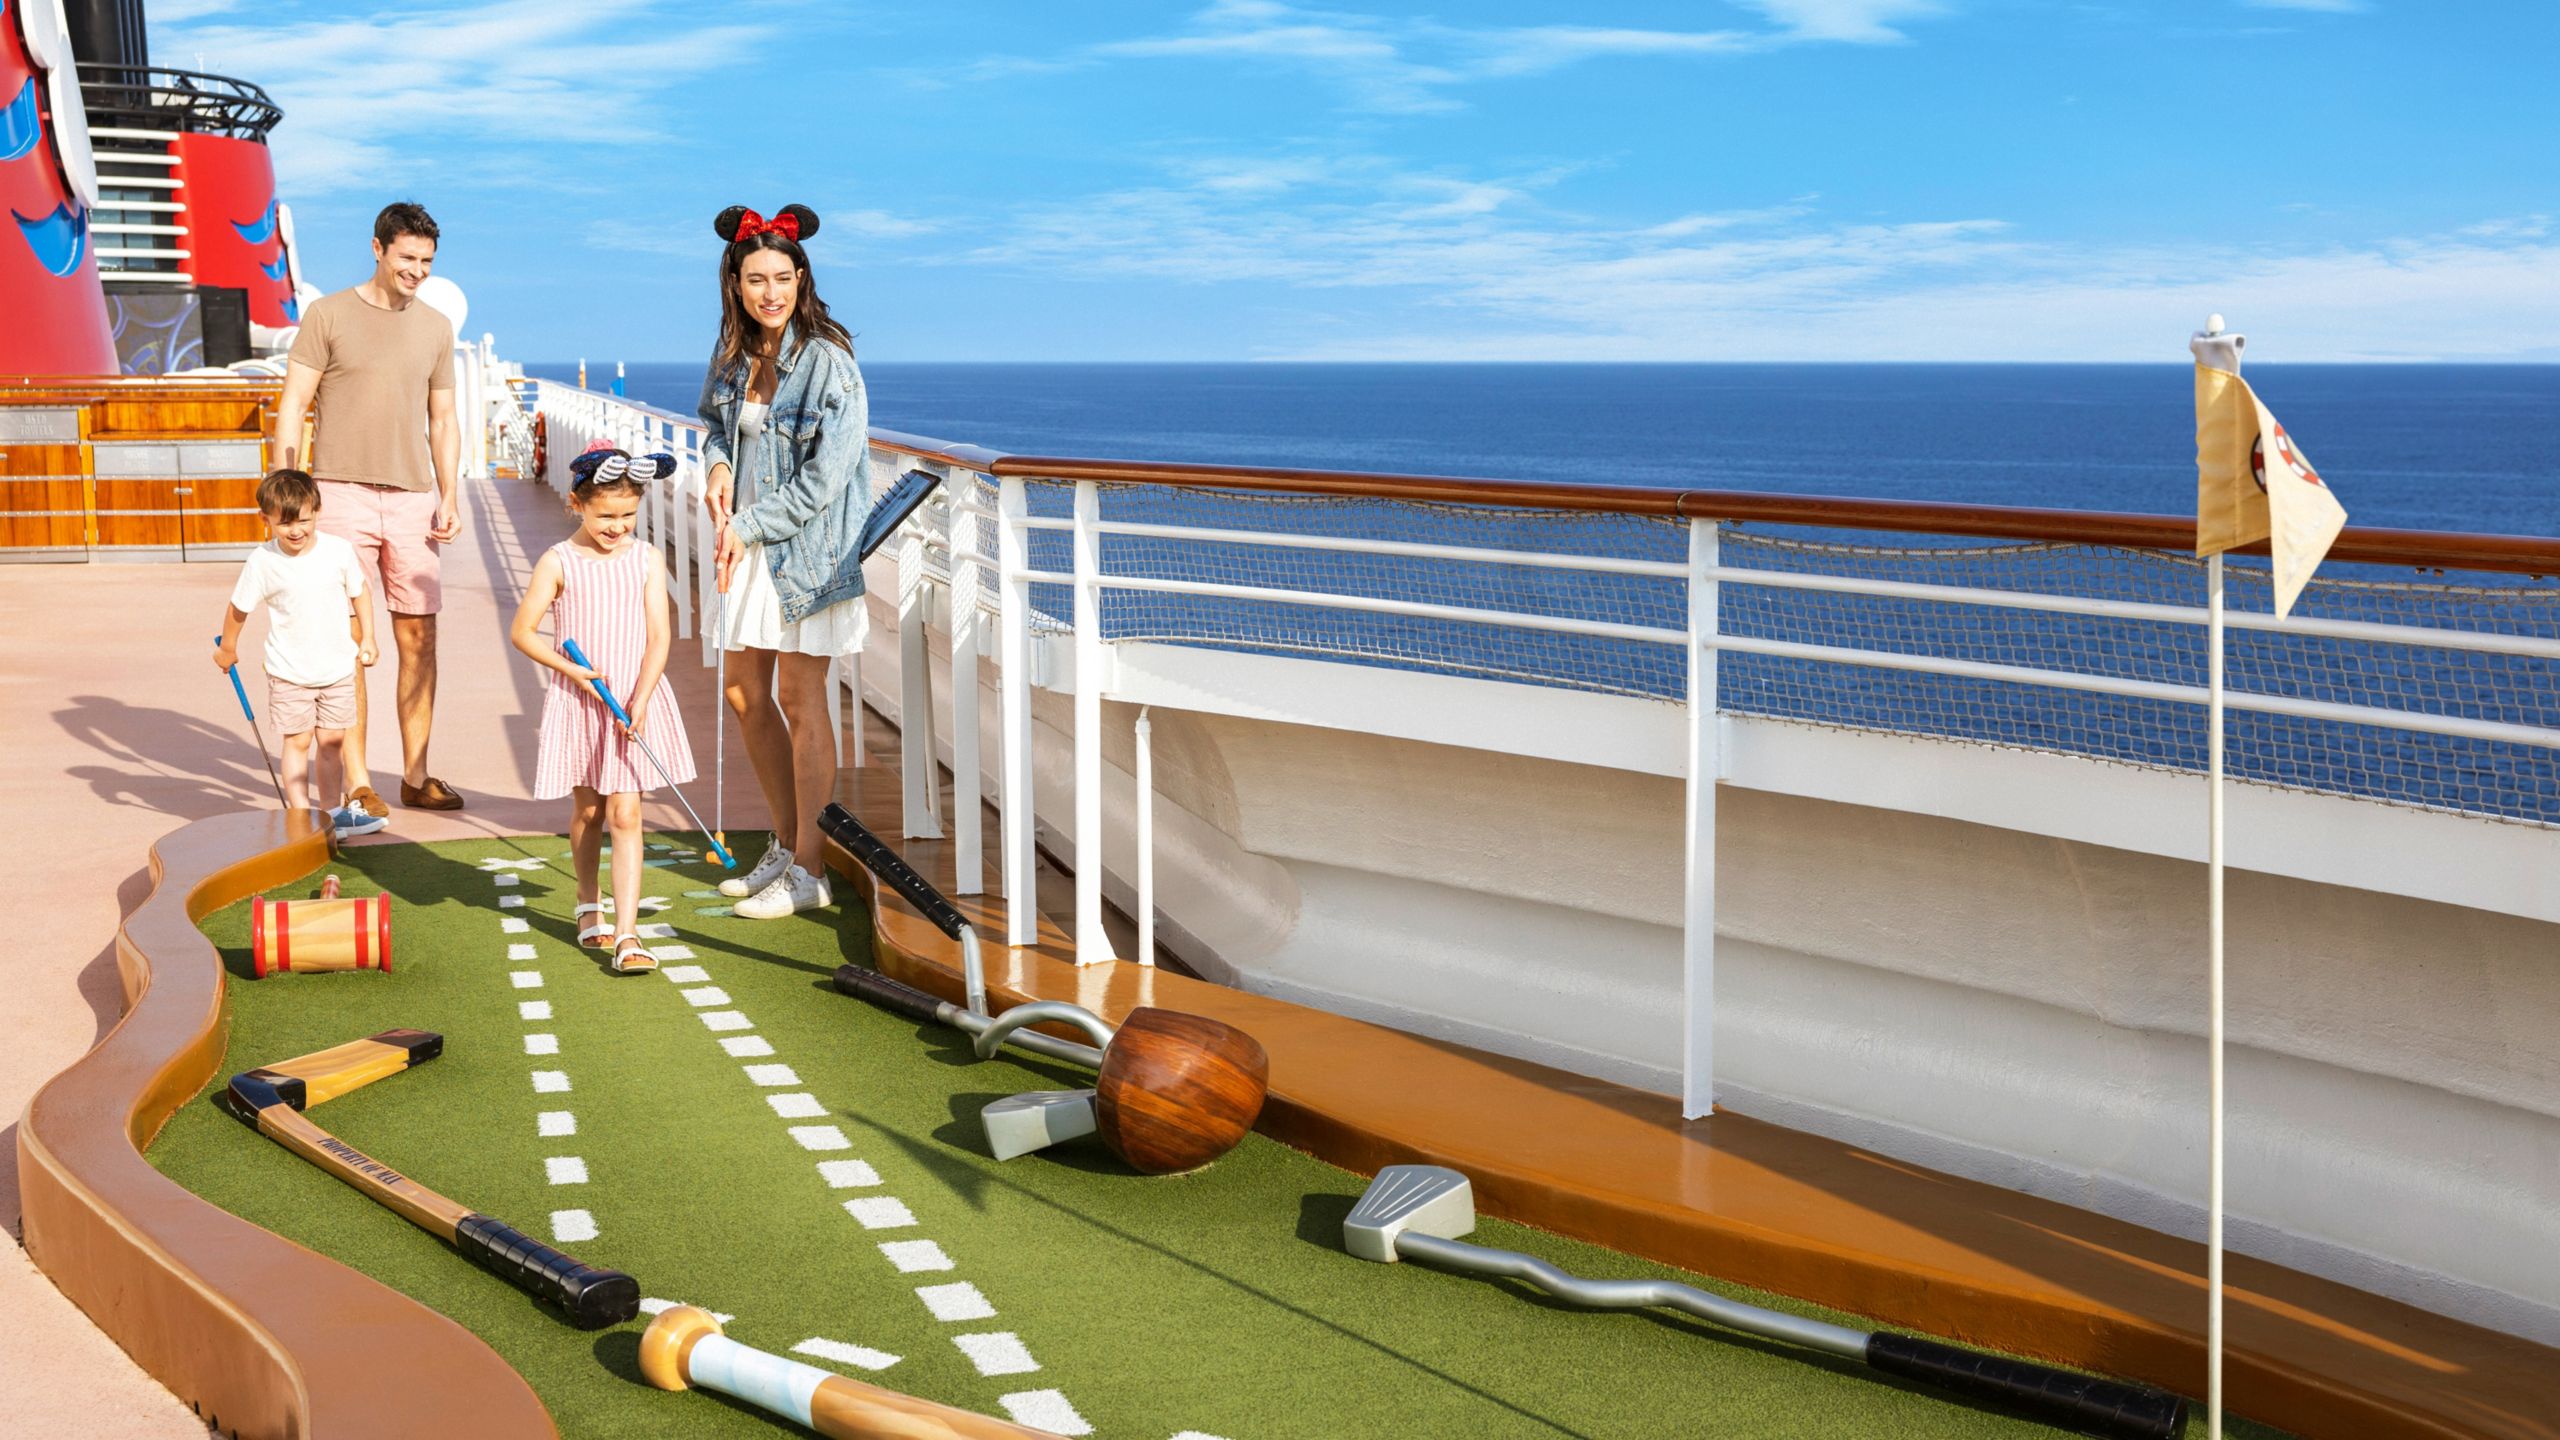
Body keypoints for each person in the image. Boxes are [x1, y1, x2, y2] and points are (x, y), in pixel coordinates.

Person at [699, 203, 874, 921]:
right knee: (744, 692)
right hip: (748, 546)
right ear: (735, 285)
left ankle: (810, 869)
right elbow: (714, 425)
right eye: (755, 280)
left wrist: (749, 522)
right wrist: (714, 467)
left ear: (802, 280)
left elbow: (827, 477)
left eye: (782, 278)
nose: (770, 292)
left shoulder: (829, 363)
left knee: (803, 701)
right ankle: (784, 839)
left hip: (806, 555)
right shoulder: (736, 358)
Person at [273, 199, 466, 822]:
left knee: (420, 636)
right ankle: (358, 780)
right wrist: (284, 492)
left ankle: (415, 774)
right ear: (378, 248)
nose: (417, 270)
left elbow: (442, 418)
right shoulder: (327, 315)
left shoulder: (437, 327)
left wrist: (450, 494)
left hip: (413, 499)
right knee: (350, 641)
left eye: (427, 261)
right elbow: (294, 403)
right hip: (338, 493)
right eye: (407, 257)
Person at [509, 445, 696, 975]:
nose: (618, 527)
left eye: (628, 516)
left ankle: (628, 934)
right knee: (589, 811)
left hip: (634, 700)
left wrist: (641, 695)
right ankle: (588, 902)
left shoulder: (645, 558)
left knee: (626, 813)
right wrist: (574, 673)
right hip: (581, 700)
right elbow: (523, 632)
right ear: (577, 505)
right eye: (606, 516)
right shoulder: (558, 560)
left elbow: (659, 636)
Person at [213, 469, 386, 839]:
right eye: (285, 523)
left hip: (338, 668)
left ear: (317, 512)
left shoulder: (338, 551)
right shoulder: (262, 562)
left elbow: (359, 594)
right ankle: (300, 816)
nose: (296, 531)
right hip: (289, 670)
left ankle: (331, 814)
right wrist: (229, 647)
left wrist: (368, 637)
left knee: (332, 742)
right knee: (297, 741)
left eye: (304, 520)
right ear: (266, 519)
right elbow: (238, 608)